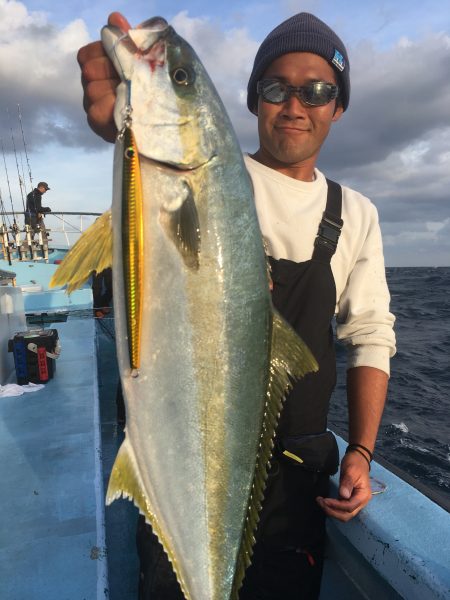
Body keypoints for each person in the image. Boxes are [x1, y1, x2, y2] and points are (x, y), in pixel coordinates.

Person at [78, 11, 396, 599]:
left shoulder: (356, 214)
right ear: (252, 100)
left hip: (298, 482)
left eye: (317, 91)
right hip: (186, 456)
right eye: (276, 89)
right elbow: (149, 217)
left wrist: (361, 450)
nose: (295, 106)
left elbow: (370, 332)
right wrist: (124, 126)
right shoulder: (220, 174)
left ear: (338, 106)